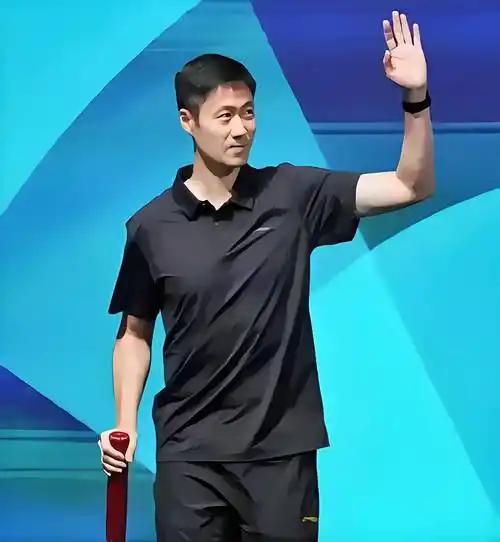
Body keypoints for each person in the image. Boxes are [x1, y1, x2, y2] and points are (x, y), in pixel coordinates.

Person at [98, 11, 435, 542]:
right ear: (188, 121)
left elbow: (410, 186)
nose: (241, 129)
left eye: (249, 113)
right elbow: (134, 333)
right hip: (190, 455)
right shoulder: (150, 226)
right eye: (225, 116)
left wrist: (415, 99)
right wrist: (124, 421)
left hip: (280, 453)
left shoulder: (293, 194)